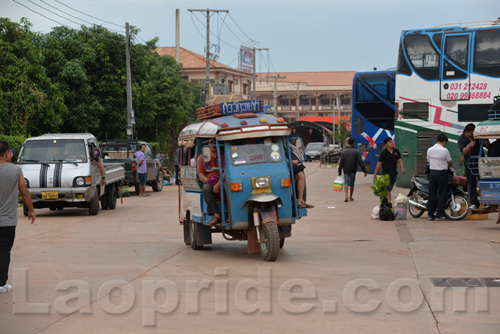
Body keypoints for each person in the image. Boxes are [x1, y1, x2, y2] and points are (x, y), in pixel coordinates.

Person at [0, 141, 36, 293]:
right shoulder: (15, 170)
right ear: (7, 153)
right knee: (3, 251)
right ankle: (1, 283)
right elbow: (24, 192)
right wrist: (31, 210)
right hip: (7, 222)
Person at [458, 123, 487, 209]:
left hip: (480, 162)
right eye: (471, 133)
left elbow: (487, 146)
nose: (473, 135)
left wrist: (486, 141)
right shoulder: (461, 138)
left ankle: (486, 201)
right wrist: (468, 146)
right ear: (467, 132)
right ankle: (474, 203)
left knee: (483, 182)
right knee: (471, 183)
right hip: (469, 163)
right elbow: (463, 151)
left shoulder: (477, 136)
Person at [197, 138, 225, 225]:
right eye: (211, 142)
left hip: (223, 180)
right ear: (207, 144)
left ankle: (232, 213)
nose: (213, 144)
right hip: (210, 181)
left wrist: (218, 184)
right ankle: (216, 215)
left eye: (215, 142)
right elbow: (201, 175)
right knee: (206, 189)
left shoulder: (224, 155)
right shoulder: (202, 157)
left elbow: (226, 171)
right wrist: (210, 181)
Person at [427, 134, 453, 220]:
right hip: (441, 173)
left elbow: (428, 160)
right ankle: (440, 214)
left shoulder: (429, 150)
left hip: (432, 173)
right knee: (442, 194)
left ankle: (430, 214)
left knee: (432, 194)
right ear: (444, 142)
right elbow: (450, 162)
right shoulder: (445, 150)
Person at [373, 137, 405, 204]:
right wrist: (375, 174)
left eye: (391, 142)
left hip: (394, 173)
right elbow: (379, 164)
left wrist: (402, 168)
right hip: (386, 174)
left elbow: (400, 160)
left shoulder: (396, 151)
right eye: (389, 142)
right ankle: (389, 201)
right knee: (388, 188)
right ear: (386, 144)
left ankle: (385, 199)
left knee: (390, 187)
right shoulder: (383, 153)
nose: (391, 143)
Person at [338, 137, 367, 202]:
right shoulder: (356, 152)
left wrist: (339, 171)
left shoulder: (344, 152)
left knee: (346, 183)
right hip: (353, 170)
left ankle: (346, 195)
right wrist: (364, 170)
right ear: (353, 143)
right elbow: (360, 162)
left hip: (346, 170)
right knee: (352, 184)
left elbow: (341, 163)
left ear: (347, 143)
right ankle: (350, 197)